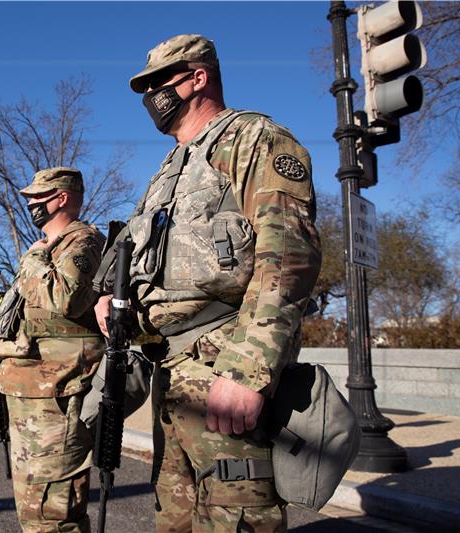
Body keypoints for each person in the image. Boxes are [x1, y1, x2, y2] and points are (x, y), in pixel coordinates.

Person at [94, 34, 321, 532]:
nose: (151, 95)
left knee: (234, 515)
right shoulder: (168, 171)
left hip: (223, 363)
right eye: (145, 86)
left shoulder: (253, 139)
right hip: (170, 371)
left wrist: (246, 369)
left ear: (198, 78)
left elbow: (288, 256)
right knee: (173, 518)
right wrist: (113, 297)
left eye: (160, 82)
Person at [0, 167, 105, 533]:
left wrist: (31, 260)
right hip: (32, 396)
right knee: (33, 510)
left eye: (39, 197)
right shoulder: (48, 249)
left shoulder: (83, 241)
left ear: (61, 198)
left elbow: (64, 297)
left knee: (53, 515)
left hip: (58, 398)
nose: (30, 204)